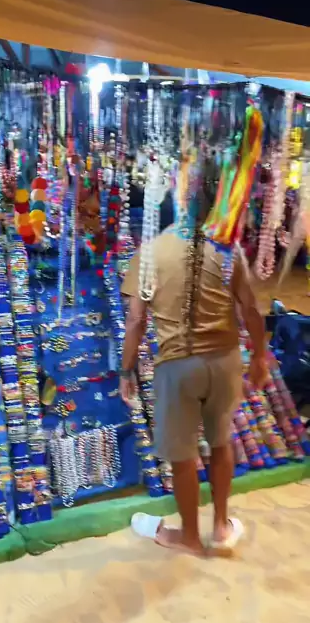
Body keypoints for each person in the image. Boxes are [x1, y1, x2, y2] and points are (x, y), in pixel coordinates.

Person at [119, 187, 268, 557]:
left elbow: (136, 320)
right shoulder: (227, 249)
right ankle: (220, 526)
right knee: (220, 442)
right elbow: (250, 309)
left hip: (177, 365)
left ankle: (189, 535)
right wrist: (260, 357)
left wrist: (126, 370)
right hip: (224, 361)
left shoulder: (150, 253)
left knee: (182, 453)